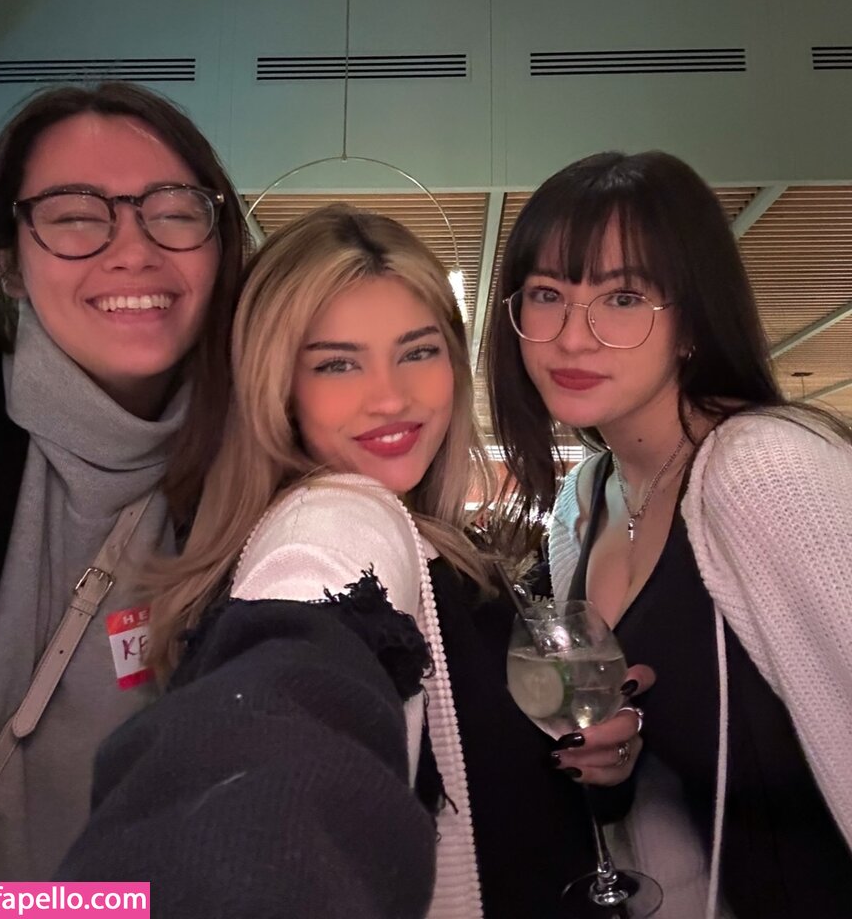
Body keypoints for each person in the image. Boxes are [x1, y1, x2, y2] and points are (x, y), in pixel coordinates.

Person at [59, 205, 647, 918]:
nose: (390, 396)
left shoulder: (436, 542)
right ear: (277, 385)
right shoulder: (335, 520)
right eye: (336, 363)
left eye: (418, 351)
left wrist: (599, 768)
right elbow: (279, 726)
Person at [486, 150, 852, 919]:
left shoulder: (764, 470)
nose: (573, 338)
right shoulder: (586, 500)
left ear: (692, 325)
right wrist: (617, 766)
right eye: (547, 295)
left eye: (622, 297)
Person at [0, 82, 247, 878]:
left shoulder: (261, 464)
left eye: (173, 211)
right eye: (74, 215)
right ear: (8, 263)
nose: (133, 250)